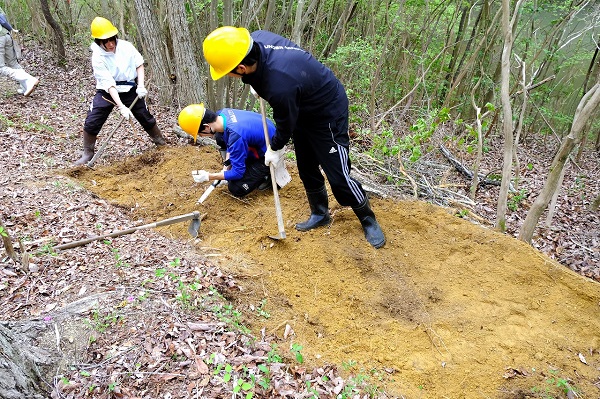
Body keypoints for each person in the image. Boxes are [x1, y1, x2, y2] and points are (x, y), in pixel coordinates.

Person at [202, 27, 385, 248]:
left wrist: (274, 149)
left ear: (241, 68)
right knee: (306, 166)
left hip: (326, 112)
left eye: (227, 72)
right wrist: (256, 84)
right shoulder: (256, 39)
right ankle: (320, 213)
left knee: (338, 176)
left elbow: (285, 125)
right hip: (300, 104)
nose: (227, 76)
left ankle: (367, 218)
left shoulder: (279, 86)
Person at [74, 17, 166, 166]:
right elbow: (108, 84)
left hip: (130, 88)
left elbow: (139, 64)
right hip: (107, 91)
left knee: (144, 115)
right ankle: (87, 153)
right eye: (106, 41)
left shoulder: (127, 47)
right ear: (99, 42)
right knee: (93, 119)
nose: (111, 44)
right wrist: (121, 106)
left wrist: (141, 86)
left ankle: (161, 143)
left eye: (112, 40)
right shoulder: (97, 56)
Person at [178, 103, 276, 197]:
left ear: (206, 127)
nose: (201, 136)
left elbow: (238, 173)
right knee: (220, 137)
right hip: (261, 134)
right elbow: (230, 140)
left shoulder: (236, 136)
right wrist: (226, 167)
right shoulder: (222, 114)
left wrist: (209, 176)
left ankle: (266, 176)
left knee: (236, 187)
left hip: (269, 153)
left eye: (200, 134)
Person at [0, 6, 38, 96]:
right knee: (13, 63)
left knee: (1, 68)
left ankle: (29, 79)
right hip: (7, 35)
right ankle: (26, 87)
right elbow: (3, 18)